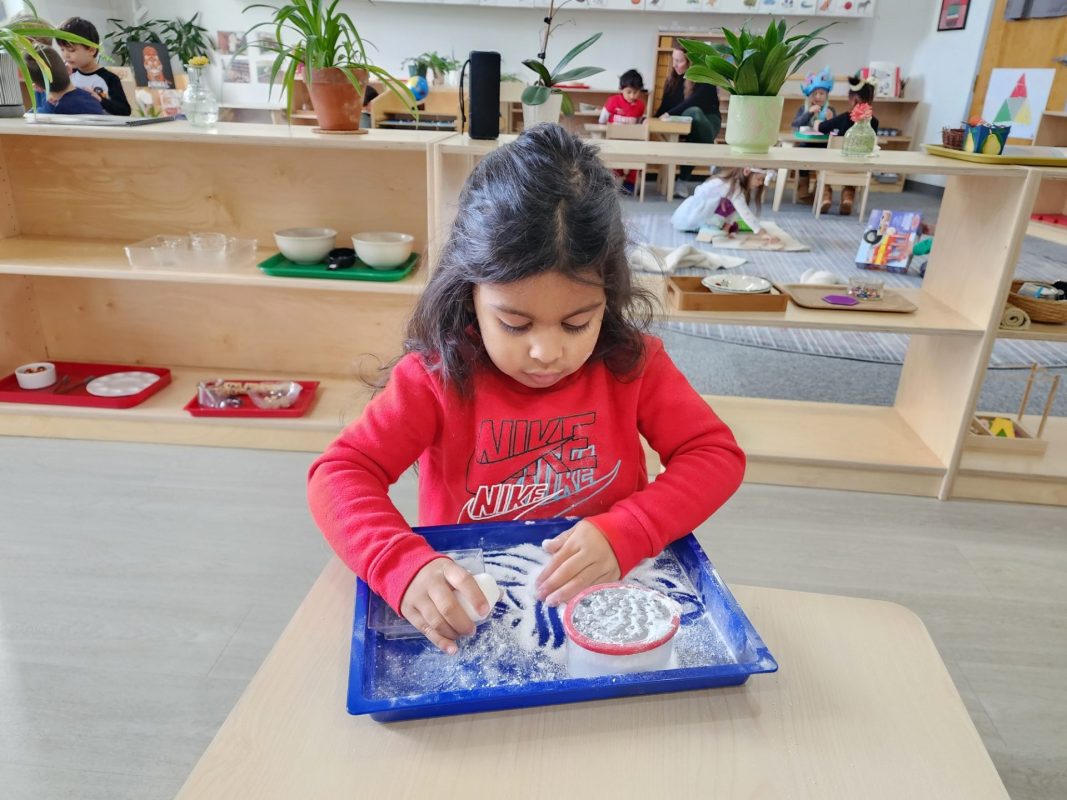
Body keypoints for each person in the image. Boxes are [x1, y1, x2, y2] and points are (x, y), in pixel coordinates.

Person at [307, 124, 745, 654]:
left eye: (577, 323)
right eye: (515, 325)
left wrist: (630, 529)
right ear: (469, 292)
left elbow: (714, 455)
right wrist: (402, 564)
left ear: (609, 296)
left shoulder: (632, 364)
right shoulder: (437, 377)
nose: (546, 352)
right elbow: (340, 474)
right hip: (475, 614)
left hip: (605, 601)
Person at [653, 43, 721, 198]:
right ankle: (713, 160)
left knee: (693, 113)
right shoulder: (672, 80)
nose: (675, 64)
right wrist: (651, 119)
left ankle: (683, 180)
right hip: (685, 126)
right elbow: (665, 106)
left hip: (709, 122)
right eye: (674, 60)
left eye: (679, 61)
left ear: (690, 62)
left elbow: (693, 102)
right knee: (694, 131)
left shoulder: (704, 77)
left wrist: (669, 114)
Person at [818, 72, 879, 215]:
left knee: (821, 165)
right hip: (859, 168)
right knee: (855, 163)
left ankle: (825, 197)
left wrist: (821, 122)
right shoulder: (874, 122)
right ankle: (848, 198)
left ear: (853, 99)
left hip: (836, 166)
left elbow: (822, 128)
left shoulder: (845, 117)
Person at [56, 17, 131, 116]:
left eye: (71, 50)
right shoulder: (68, 75)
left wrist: (101, 100)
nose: (66, 55)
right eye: (62, 49)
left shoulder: (110, 79)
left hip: (101, 125)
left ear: (91, 50)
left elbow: (125, 111)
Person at [671, 167, 768, 237]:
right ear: (746, 172)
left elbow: (734, 209)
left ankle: (715, 225)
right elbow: (744, 211)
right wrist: (760, 232)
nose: (760, 183)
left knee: (734, 223)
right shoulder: (733, 186)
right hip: (697, 214)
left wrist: (728, 225)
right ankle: (706, 226)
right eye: (759, 179)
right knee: (724, 231)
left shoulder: (734, 184)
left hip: (708, 209)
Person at [791, 66, 836, 203]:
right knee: (802, 152)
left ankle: (821, 190)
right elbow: (795, 124)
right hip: (807, 145)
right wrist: (809, 113)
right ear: (810, 95)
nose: (818, 97)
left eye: (821, 93)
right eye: (815, 94)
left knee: (827, 159)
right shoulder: (804, 109)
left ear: (826, 95)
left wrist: (830, 120)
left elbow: (836, 130)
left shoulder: (830, 109)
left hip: (824, 146)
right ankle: (803, 185)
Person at [599, 69, 647, 195]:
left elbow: (639, 121)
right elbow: (603, 118)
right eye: (629, 92)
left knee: (636, 158)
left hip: (632, 141)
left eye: (635, 92)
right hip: (614, 141)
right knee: (614, 161)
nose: (632, 96)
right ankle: (615, 178)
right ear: (621, 89)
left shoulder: (640, 105)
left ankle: (630, 183)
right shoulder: (613, 101)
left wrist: (644, 121)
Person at [24, 46, 107, 115]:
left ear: (38, 88)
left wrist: (49, 107)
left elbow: (31, 117)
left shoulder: (57, 110)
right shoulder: (92, 97)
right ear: (69, 70)